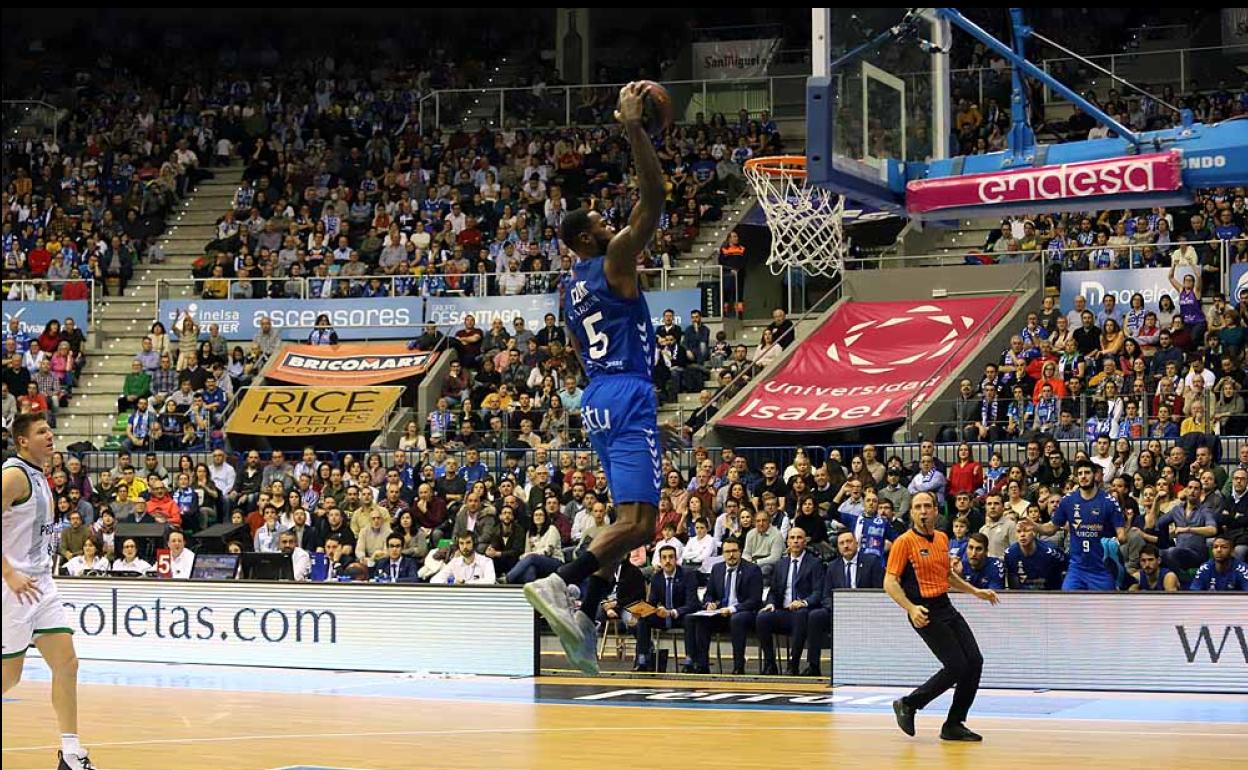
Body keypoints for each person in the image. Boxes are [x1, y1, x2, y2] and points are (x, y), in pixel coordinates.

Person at [523, 82, 668, 676]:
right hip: (627, 389)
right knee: (638, 523)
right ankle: (561, 581)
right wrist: (634, 130)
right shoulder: (611, 262)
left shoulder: (569, 287)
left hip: (598, 394)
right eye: (604, 223)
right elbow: (653, 203)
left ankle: (582, 609)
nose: (615, 225)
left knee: (629, 523)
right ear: (586, 239)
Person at [2, 412, 96, 769]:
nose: (50, 435)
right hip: (13, 588)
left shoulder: (40, 477)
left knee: (67, 663)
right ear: (23, 440)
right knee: (9, 677)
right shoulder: (13, 475)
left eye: (50, 429)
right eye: (42, 431)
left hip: (41, 584)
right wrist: (8, 573)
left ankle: (71, 754)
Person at [887, 491, 999, 743]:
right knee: (956, 665)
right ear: (912, 512)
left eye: (928, 506)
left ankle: (953, 724)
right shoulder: (903, 542)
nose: (923, 511)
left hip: (945, 605)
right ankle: (908, 704)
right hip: (923, 610)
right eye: (918, 507)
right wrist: (911, 608)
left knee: (974, 661)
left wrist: (975, 591)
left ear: (937, 511)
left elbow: (946, 575)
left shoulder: (941, 538)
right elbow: (890, 581)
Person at [1034, 460, 1127, 590]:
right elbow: (1051, 528)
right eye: (1080, 473)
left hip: (1101, 569)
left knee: (1105, 608)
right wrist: (1034, 526)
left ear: (1094, 475)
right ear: (1077, 478)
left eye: (1087, 472)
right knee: (1068, 602)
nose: (1083, 476)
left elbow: (1122, 535)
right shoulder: (1068, 500)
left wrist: (1115, 542)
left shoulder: (1109, 501)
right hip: (1077, 569)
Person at [755, 528, 824, 676]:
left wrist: (804, 602)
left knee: (800, 615)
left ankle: (793, 665)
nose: (796, 541)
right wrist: (771, 603)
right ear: (788, 542)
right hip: (783, 611)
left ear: (805, 542)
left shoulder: (815, 563)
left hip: (804, 612)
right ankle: (770, 664)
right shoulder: (781, 564)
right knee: (762, 617)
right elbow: (774, 591)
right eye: (792, 538)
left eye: (799, 538)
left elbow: (818, 592)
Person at [688, 538, 761, 675]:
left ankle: (738, 666)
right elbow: (709, 594)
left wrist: (732, 609)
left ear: (740, 552)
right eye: (727, 552)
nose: (731, 555)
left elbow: (755, 600)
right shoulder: (717, 569)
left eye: (734, 551)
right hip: (721, 613)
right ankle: (702, 665)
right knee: (701, 620)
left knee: (737, 619)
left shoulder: (752, 570)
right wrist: (709, 603)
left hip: (744, 614)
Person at [633, 544, 699, 672]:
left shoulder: (688, 575)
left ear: (676, 559)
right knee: (642, 619)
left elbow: (693, 604)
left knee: (689, 619)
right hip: (663, 617)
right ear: (660, 560)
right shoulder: (656, 578)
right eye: (664, 558)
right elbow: (652, 602)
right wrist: (642, 611)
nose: (667, 561)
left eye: (671, 557)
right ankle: (642, 660)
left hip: (680, 615)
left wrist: (672, 612)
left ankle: (690, 661)